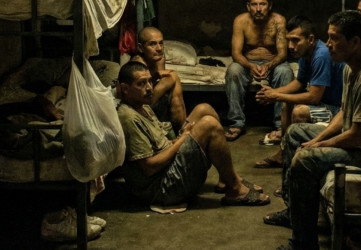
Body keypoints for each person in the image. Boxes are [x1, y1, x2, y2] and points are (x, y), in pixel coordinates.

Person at [262, 10, 361, 250]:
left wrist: (317, 146)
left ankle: (302, 245)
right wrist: (317, 138)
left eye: (334, 38)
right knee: (295, 133)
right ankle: (294, 211)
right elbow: (343, 115)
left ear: (354, 42)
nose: (327, 44)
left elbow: (358, 136)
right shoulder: (350, 66)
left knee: (306, 160)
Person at [116, 61, 271, 208]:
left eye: (149, 81)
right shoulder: (129, 118)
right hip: (162, 189)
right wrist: (182, 139)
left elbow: (161, 142)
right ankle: (235, 189)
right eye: (141, 84)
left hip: (168, 168)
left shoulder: (142, 105)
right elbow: (150, 168)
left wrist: (178, 139)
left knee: (204, 109)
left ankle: (228, 179)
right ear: (125, 88)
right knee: (208, 124)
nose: (149, 88)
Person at [253, 16, 344, 169]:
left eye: (295, 40)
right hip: (324, 104)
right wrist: (273, 92)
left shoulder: (321, 55)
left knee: (300, 112)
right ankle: (284, 152)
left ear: (310, 39)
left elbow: (314, 97)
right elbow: (299, 83)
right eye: (289, 40)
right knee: (286, 103)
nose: (290, 46)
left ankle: (296, 159)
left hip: (336, 110)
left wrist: (275, 96)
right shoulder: (304, 54)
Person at [224, 0, 295, 141]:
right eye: (254, 5)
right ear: (248, 6)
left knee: (286, 72)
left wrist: (268, 66)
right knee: (233, 71)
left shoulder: (279, 21)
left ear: (269, 6)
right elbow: (236, 53)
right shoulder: (241, 21)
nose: (258, 9)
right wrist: (250, 67)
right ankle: (236, 123)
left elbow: (283, 53)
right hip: (248, 62)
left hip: (273, 61)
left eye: (262, 4)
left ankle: (280, 124)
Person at [131, 26, 187, 132]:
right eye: (152, 44)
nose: (159, 48)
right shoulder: (138, 65)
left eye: (161, 43)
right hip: (138, 107)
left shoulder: (159, 60)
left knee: (172, 79)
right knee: (173, 76)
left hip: (153, 101)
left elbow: (157, 82)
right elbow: (136, 98)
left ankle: (181, 129)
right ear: (140, 48)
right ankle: (182, 130)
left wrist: (157, 76)